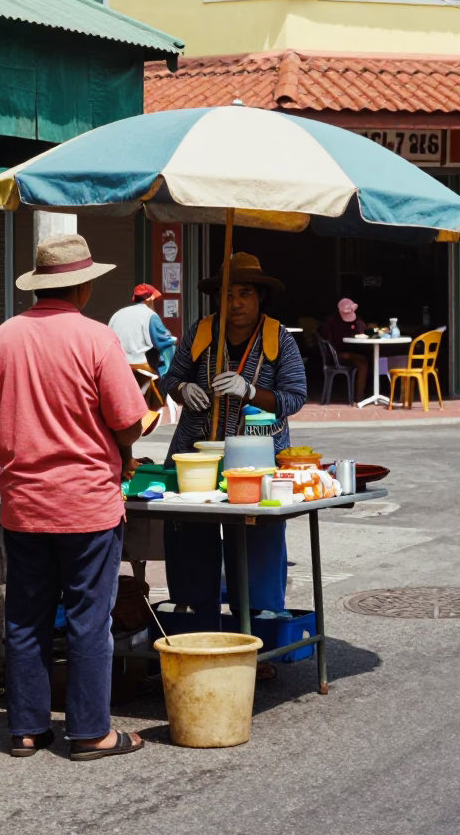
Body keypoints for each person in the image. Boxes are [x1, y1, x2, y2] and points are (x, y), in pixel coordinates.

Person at [0, 234, 149, 761]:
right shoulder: (96, 338)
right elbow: (129, 421)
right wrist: (124, 443)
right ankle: (90, 732)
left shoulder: (5, 336)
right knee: (87, 620)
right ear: (85, 285)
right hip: (86, 504)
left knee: (25, 618)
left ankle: (27, 728)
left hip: (24, 504)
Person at [161, 253, 307, 634]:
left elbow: (295, 396)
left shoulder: (279, 338)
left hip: (259, 459)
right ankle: (198, 631)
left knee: (257, 545)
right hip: (198, 459)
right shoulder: (201, 333)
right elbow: (169, 379)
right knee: (193, 541)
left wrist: (252, 391)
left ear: (259, 296)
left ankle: (260, 636)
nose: (235, 303)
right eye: (227, 294)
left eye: (244, 293)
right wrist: (182, 388)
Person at [108, 283, 176, 378]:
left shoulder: (117, 314)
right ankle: (167, 382)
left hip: (117, 363)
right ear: (150, 299)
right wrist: (171, 340)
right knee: (170, 348)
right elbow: (163, 341)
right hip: (141, 364)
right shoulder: (150, 315)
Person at [319, 297, 369, 397]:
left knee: (368, 357)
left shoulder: (355, 321)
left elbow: (361, 329)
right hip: (337, 354)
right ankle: (359, 396)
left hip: (350, 350)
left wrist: (360, 323)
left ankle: (364, 391)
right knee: (363, 363)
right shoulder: (331, 322)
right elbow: (328, 339)